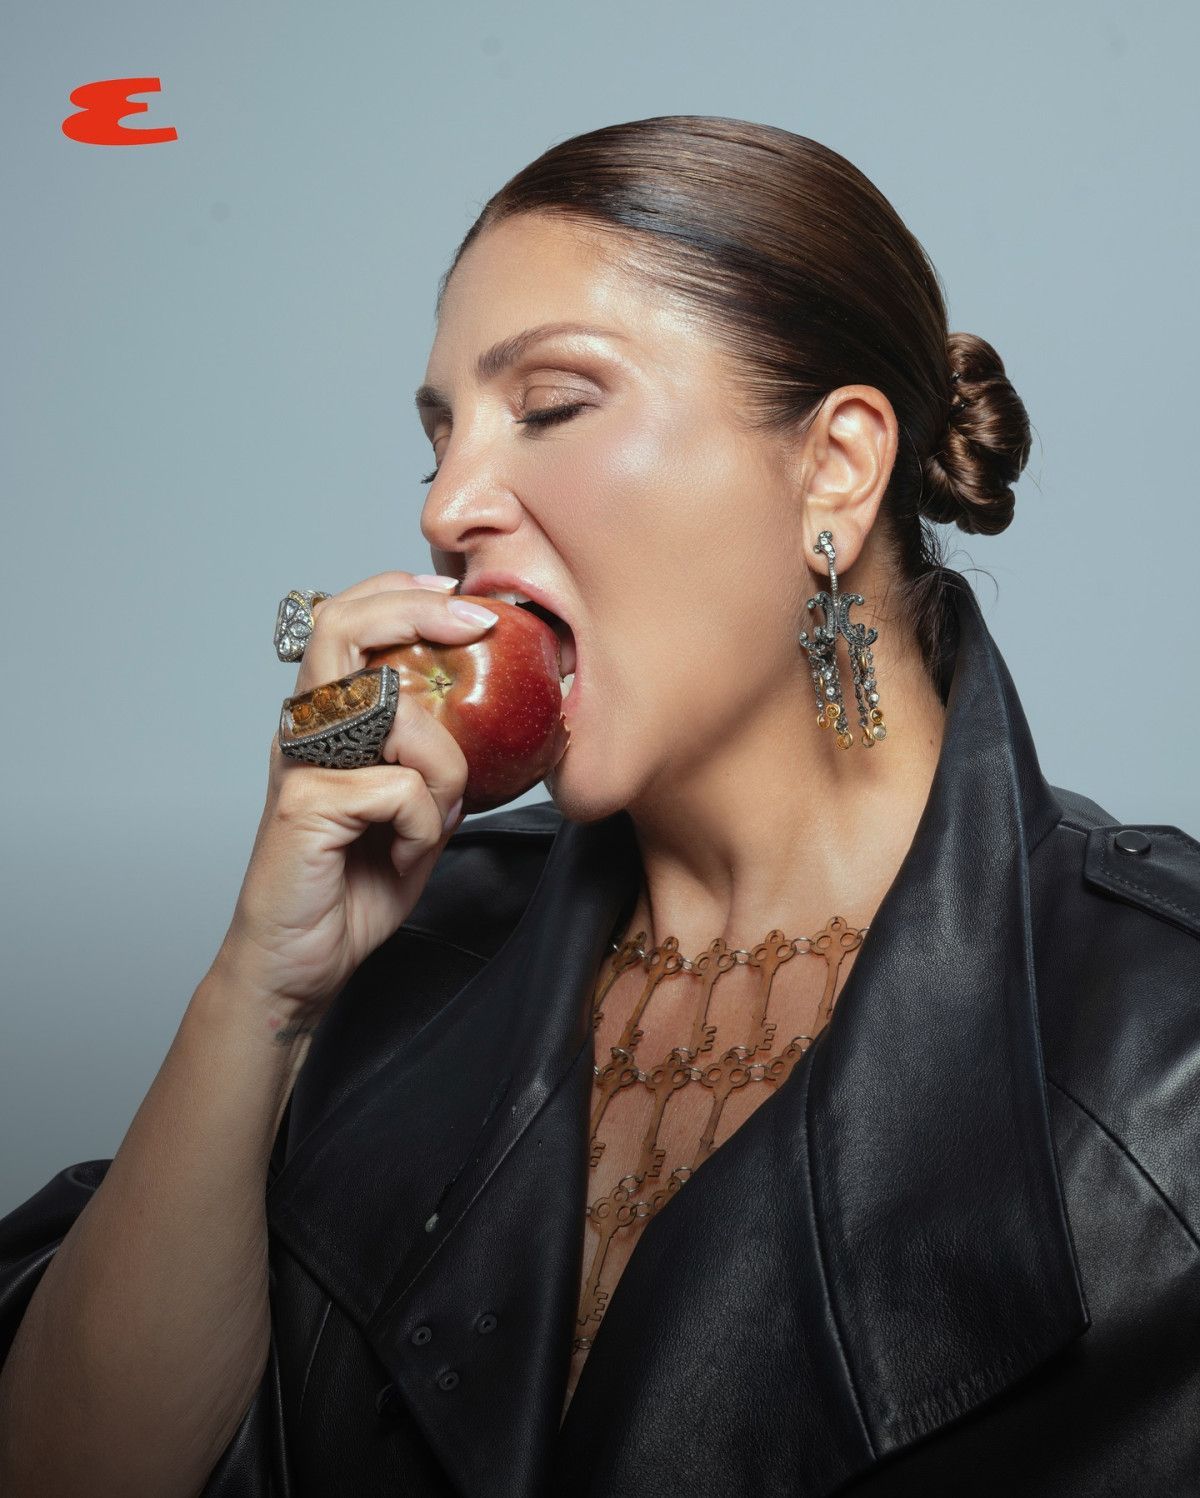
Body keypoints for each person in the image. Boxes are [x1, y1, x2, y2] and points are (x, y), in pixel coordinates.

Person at [1, 114, 1198, 1498]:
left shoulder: (1161, 1051)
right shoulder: (402, 950)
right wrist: (257, 986)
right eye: (439, 439)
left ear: (836, 466)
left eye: (553, 407)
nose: (449, 506)